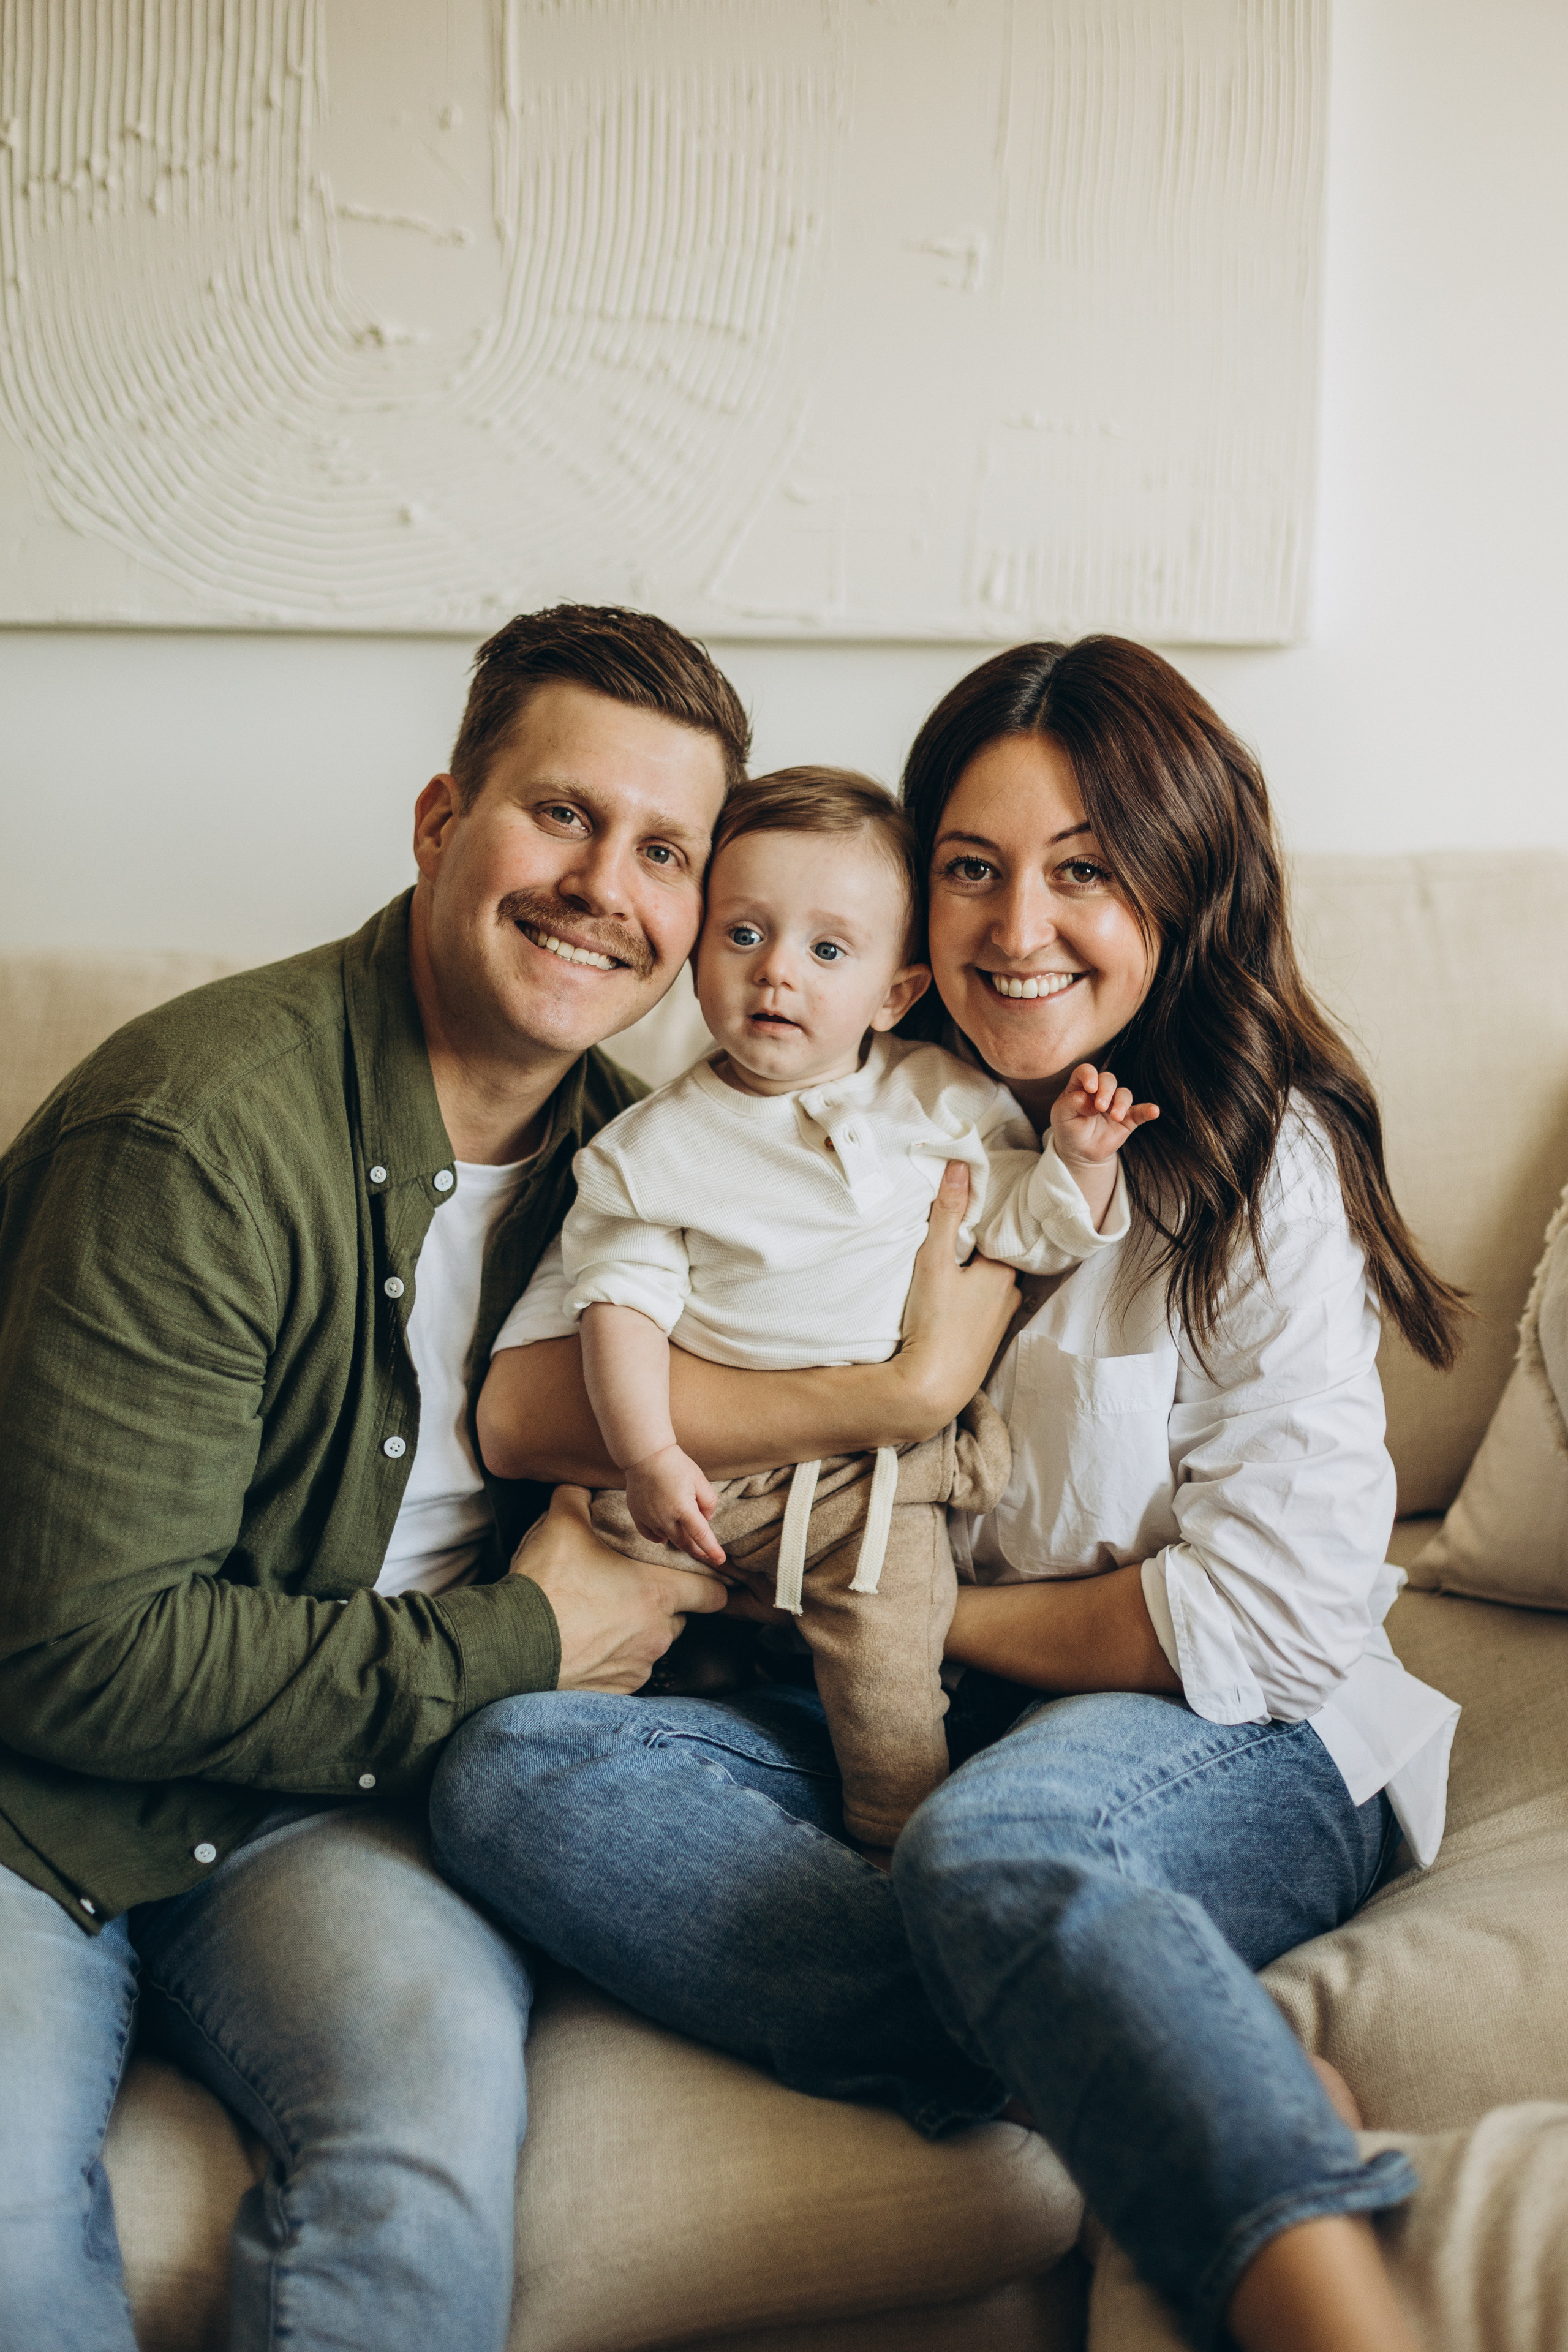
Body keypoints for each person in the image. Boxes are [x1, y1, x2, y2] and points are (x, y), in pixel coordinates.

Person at [0, 606, 1020, 2352]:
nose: (603, 886)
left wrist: (913, 1388)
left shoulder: (641, 1157)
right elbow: (77, 1657)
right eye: (561, 816)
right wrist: (522, 1644)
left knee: (422, 2184)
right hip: (38, 1802)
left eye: (664, 852)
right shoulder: (192, 1139)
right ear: (437, 823)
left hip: (331, 1807)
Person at [431, 636, 1465, 2352]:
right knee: (511, 1771)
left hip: (1221, 1729)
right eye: (971, 872)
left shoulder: (1253, 1153)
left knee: (1000, 1842)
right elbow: (531, 1407)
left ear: (1181, 885)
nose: (1016, 928)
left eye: (1083, 872)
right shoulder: (843, 1096)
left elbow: (1272, 1621)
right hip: (884, 1702)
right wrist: (882, 1406)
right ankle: (1152, 2039)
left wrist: (866, 1600)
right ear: (909, 933)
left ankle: (1322, 2297)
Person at [481, 765, 1156, 1845]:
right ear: (698, 951)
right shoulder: (652, 1149)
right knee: (555, 1685)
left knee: (890, 1662)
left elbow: (1021, 1235)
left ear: (895, 992)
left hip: (868, 1489)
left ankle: (896, 1832)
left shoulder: (944, 1100)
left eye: (827, 951)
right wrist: (649, 1456)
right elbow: (619, 1309)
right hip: (696, 1481)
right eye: (744, 936)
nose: (777, 975)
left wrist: (1078, 1163)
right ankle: (611, 1776)